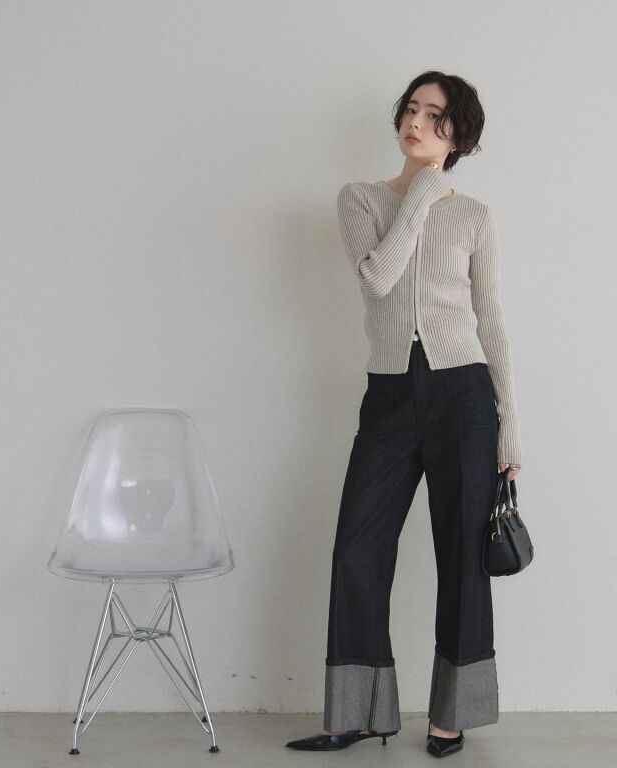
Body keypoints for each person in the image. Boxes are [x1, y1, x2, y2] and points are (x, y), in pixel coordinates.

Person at [285, 71, 522, 759]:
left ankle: (451, 716)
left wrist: (511, 425)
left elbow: (492, 322)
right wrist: (418, 194)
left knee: (463, 556)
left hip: (464, 394)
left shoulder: (474, 216)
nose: (417, 122)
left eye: (435, 116)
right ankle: (359, 714)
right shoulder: (360, 199)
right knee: (357, 549)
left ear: (458, 134)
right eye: (411, 110)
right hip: (389, 396)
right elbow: (379, 278)